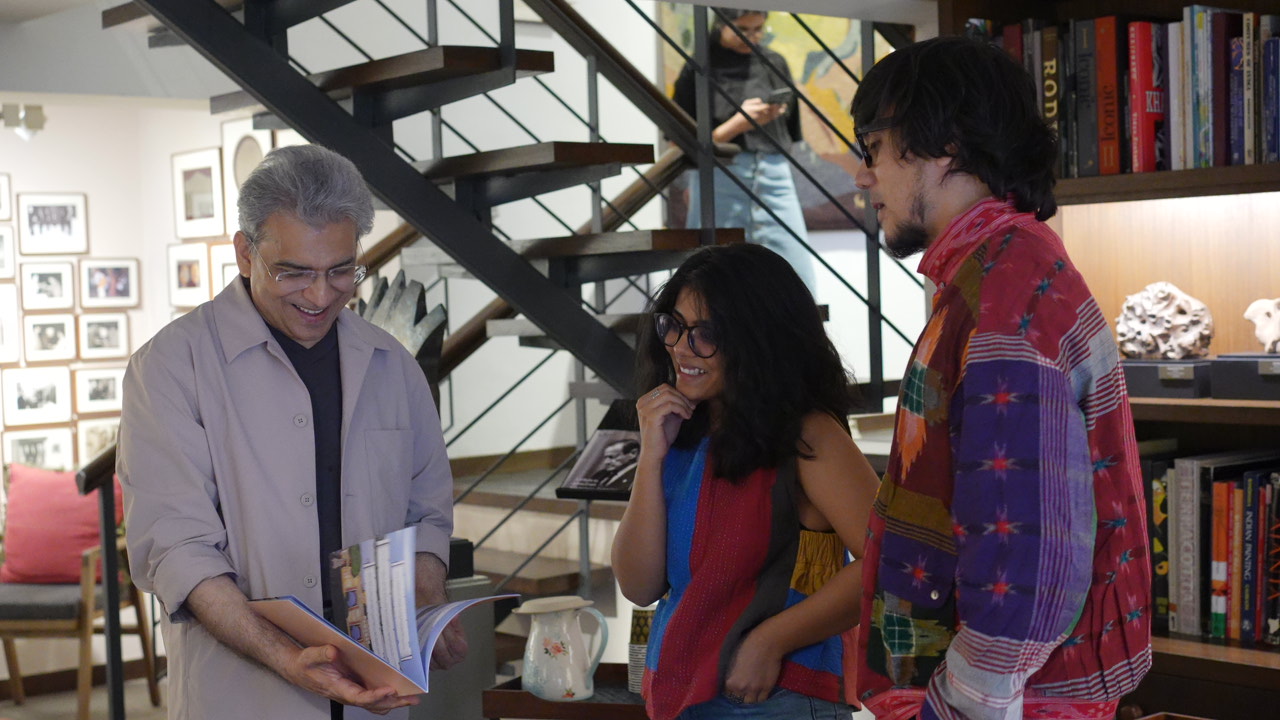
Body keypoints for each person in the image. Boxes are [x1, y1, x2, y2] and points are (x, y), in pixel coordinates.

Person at [848, 36, 1151, 720]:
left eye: (874, 146)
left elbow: (1027, 549)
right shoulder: (999, 269)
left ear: (946, 146)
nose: (863, 176)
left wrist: (960, 703)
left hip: (1012, 702)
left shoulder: (1005, 289)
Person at [118, 145, 464, 720]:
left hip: (380, 692)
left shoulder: (392, 364)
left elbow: (425, 511)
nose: (320, 296)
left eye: (340, 271)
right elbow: (179, 551)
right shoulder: (171, 367)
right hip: (242, 698)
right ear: (245, 253)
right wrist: (287, 658)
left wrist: (428, 601)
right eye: (294, 272)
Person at [612, 243, 879, 719]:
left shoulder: (807, 434)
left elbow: (889, 563)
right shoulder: (681, 429)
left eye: (706, 333)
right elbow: (639, 585)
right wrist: (650, 458)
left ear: (760, 339)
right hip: (681, 689)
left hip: (772, 697)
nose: (680, 347)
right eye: (673, 325)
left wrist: (771, 641)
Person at [672, 7, 816, 294]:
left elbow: (790, 130)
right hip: (721, 174)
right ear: (720, 25)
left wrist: (772, 113)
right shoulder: (699, 68)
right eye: (742, 30)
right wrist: (737, 124)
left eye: (758, 29)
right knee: (716, 275)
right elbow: (680, 143)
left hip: (774, 172)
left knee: (795, 270)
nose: (751, 37)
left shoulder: (774, 61)